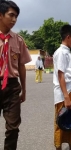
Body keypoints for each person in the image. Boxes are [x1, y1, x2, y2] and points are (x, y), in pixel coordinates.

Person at [0, 0, 31, 150]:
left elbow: (22, 66)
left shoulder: (18, 40)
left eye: (16, 16)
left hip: (12, 87)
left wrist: (24, 90)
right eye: (11, 15)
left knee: (13, 127)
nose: (14, 19)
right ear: (0, 15)